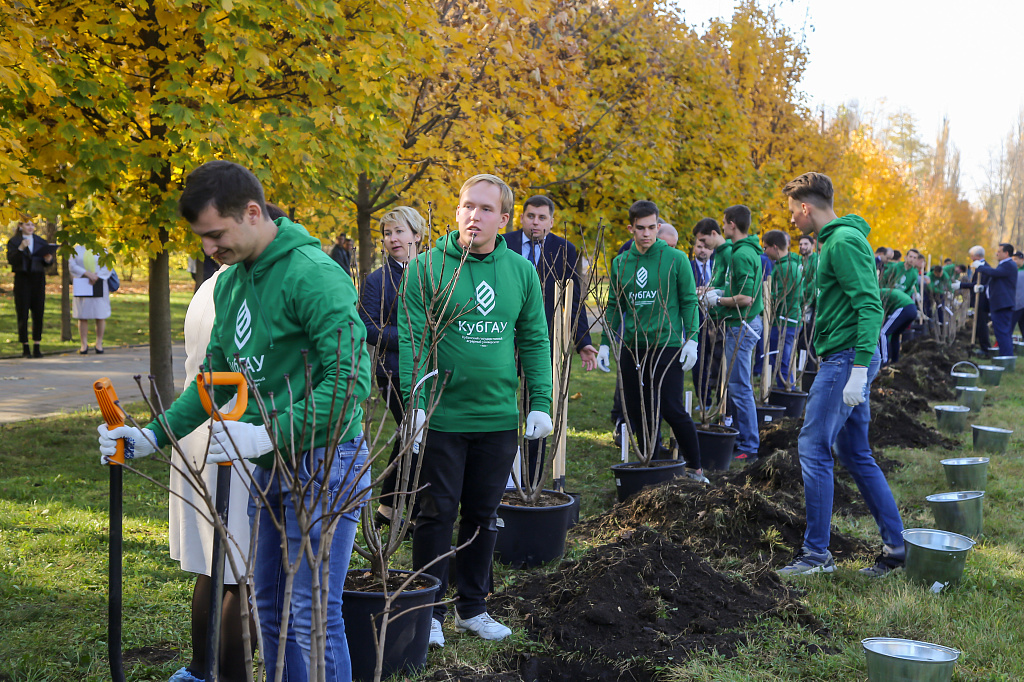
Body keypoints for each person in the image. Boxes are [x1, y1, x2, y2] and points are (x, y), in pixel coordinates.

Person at [97, 160, 372, 681]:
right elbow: (215, 380)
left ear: (251, 212)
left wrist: (268, 431)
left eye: (216, 235)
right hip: (273, 467)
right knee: (269, 607)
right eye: (202, 238)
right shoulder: (229, 286)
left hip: (325, 464)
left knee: (309, 618)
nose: (209, 249)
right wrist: (152, 435)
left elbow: (350, 383)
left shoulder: (313, 275)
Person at [400, 174, 552, 647]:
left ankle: (472, 607)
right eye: (468, 206)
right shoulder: (426, 268)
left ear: (504, 220)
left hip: (498, 419)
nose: (474, 216)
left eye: (486, 209)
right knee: (436, 514)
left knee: (484, 515)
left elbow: (533, 338)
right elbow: (412, 339)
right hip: (443, 416)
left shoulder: (521, 273)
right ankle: (428, 611)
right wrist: (417, 403)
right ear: (457, 211)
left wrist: (541, 401)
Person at [777, 172, 904, 578]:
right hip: (845, 358)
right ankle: (897, 548)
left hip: (846, 361)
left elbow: (870, 307)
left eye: (792, 212)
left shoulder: (844, 243)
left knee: (814, 447)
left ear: (805, 207)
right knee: (854, 453)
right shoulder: (834, 242)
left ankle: (816, 556)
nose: (792, 222)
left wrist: (858, 369)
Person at [597, 200, 704, 479]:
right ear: (631, 228)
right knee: (637, 410)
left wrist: (691, 339)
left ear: (658, 226)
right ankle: (651, 466)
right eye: (641, 228)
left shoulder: (676, 259)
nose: (647, 234)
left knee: (670, 406)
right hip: (632, 347)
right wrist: (606, 344)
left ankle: (695, 467)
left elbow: (690, 301)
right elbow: (614, 306)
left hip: (666, 344)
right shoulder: (621, 263)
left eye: (652, 227)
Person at [505, 195, 598, 479]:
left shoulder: (565, 249)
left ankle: (532, 474)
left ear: (551, 221)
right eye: (531, 216)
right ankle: (506, 473)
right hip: (504, 340)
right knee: (507, 405)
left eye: (542, 217)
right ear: (522, 218)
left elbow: (574, 299)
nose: (535, 222)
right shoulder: (503, 245)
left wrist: (583, 341)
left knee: (538, 406)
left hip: (544, 340)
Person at [358, 206, 425, 526]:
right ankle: (405, 507)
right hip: (394, 371)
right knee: (414, 433)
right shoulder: (377, 280)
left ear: (417, 235)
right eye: (387, 233)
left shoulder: (435, 272)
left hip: (432, 370)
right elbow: (369, 327)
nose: (393, 238)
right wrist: (414, 338)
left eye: (399, 231)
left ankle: (390, 507)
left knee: (414, 436)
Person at [698, 205, 763, 462]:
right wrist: (717, 290)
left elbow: (745, 297)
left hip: (741, 325)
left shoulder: (741, 255)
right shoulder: (744, 251)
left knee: (739, 387)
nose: (723, 228)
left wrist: (717, 300)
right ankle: (746, 439)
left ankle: (750, 445)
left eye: (724, 223)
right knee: (738, 386)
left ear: (732, 224)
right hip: (741, 324)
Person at [6, 219, 54, 358]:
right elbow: (11, 260)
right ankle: (25, 346)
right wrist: (20, 248)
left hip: (38, 279)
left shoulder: (40, 241)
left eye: (33, 224)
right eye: (28, 224)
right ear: (20, 226)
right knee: (23, 312)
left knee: (38, 311)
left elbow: (47, 263)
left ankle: (37, 345)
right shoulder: (14, 241)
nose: (31, 227)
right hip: (22, 278)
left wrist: (48, 260)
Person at [762, 230, 803, 389]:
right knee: (782, 359)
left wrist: (764, 303)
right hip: (789, 318)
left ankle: (786, 391)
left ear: (775, 247)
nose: (764, 252)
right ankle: (786, 388)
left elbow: (778, 297)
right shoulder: (789, 265)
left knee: (780, 360)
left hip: (785, 320)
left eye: (766, 248)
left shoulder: (784, 268)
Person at [972, 243, 1018, 357]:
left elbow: (995, 273)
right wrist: (984, 288)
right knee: (1001, 332)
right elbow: (998, 281)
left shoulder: (1008, 264)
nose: (997, 253)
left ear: (1006, 253)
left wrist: (981, 267)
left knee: (1002, 332)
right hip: (1000, 303)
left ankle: (1006, 357)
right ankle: (1005, 356)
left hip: (1002, 304)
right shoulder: (1004, 265)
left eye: (999, 251)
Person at [69, 244, 113, 354]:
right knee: (83, 314)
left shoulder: (102, 247)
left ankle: (99, 343)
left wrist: (96, 276)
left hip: (99, 282)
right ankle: (84, 344)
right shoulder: (76, 248)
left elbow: (108, 265)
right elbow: (72, 265)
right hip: (83, 282)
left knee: (100, 314)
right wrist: (86, 274)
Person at [691, 233, 717, 408]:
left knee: (715, 361)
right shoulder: (688, 267)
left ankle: (720, 398)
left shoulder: (718, 268)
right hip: (697, 322)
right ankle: (704, 399)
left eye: (707, 247)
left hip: (716, 322)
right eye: (699, 247)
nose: (703, 251)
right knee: (698, 362)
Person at [878, 287, 917, 364]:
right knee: (895, 335)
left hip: (904, 308)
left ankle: (883, 362)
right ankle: (895, 361)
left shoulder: (878, 295)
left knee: (883, 332)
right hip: (912, 309)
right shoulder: (884, 292)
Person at [967, 245, 992, 353]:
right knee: (979, 323)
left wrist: (962, 285)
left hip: (982, 301)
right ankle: (979, 343)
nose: (971, 258)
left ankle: (985, 348)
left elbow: (980, 284)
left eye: (972, 256)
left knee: (982, 324)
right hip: (978, 300)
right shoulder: (980, 267)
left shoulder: (985, 268)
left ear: (976, 256)